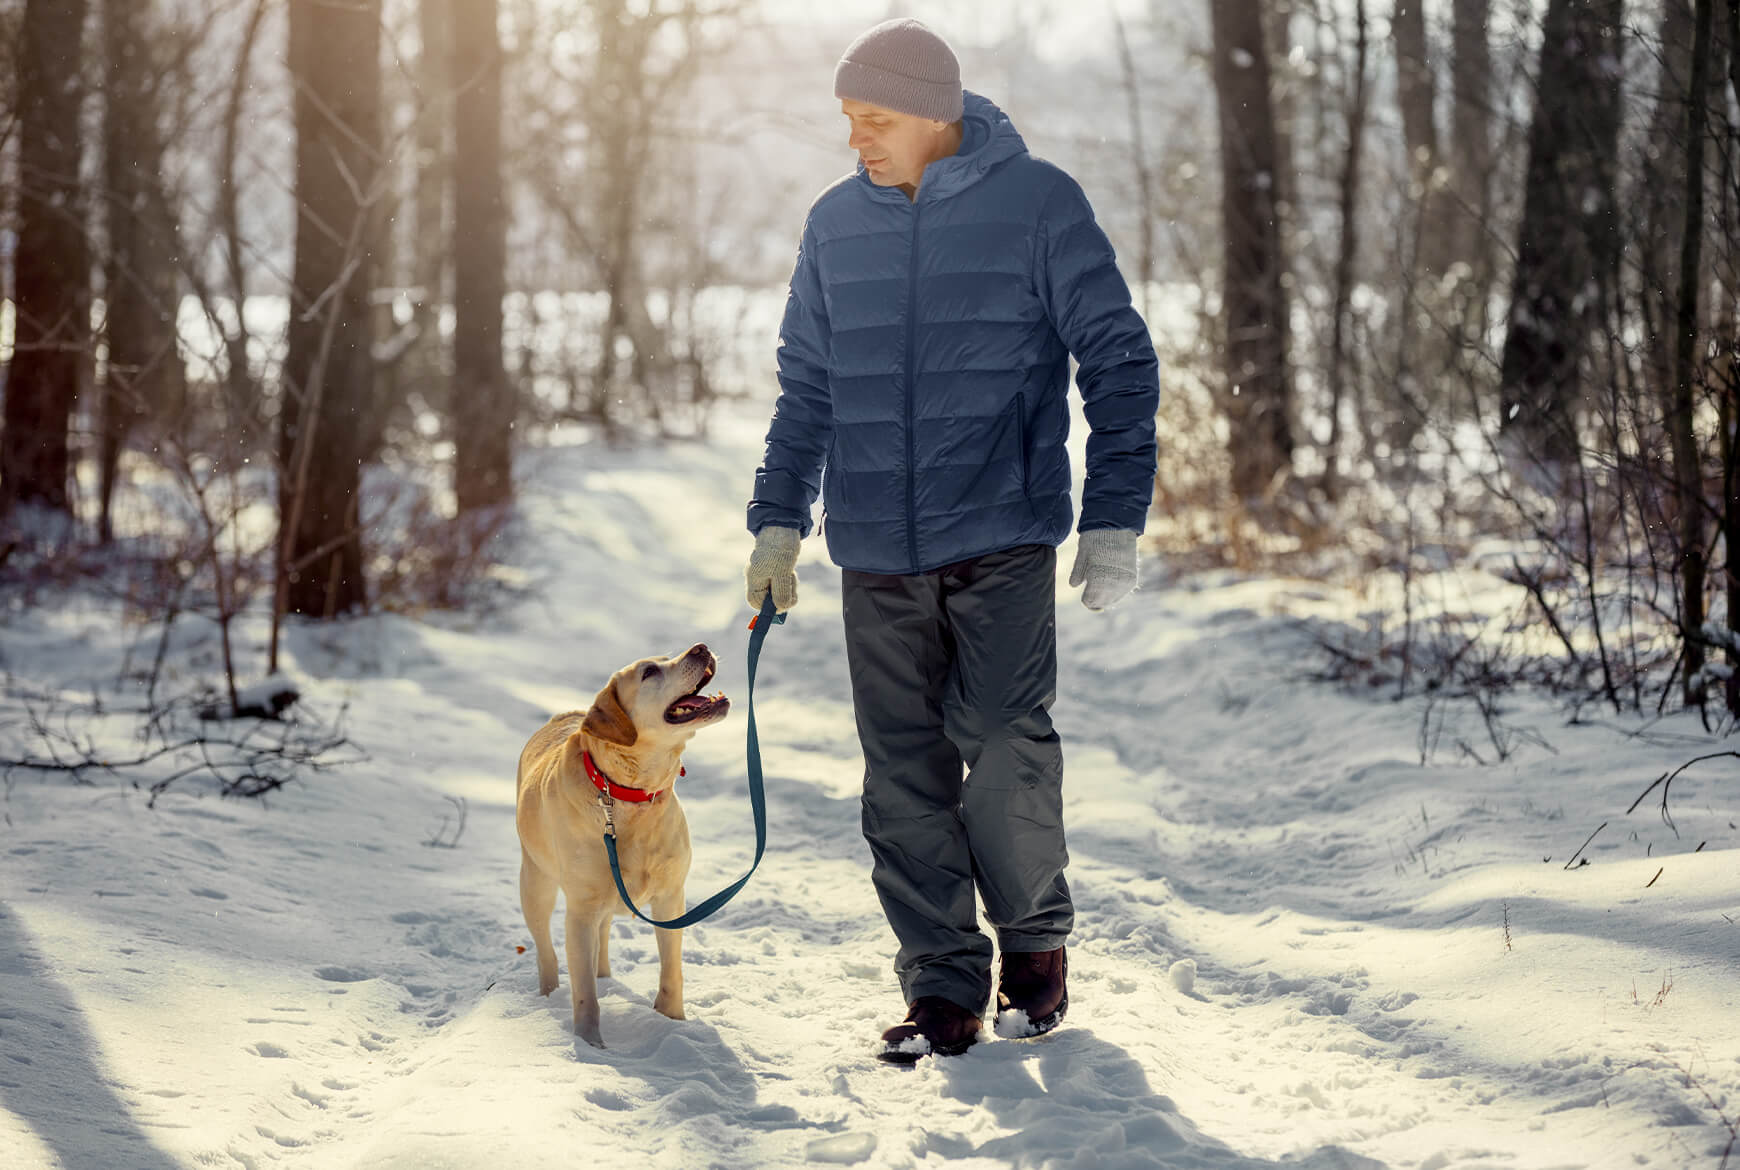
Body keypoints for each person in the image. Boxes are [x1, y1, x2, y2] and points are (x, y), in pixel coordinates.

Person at [744, 17, 1160, 1063]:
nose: (856, 142)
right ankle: (940, 986)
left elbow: (1118, 359)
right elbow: (808, 388)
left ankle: (1033, 943)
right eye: (846, 121)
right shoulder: (836, 224)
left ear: (935, 113)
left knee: (1005, 742)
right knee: (902, 774)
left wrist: (1114, 516)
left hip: (1002, 538)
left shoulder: (1040, 206)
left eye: (873, 120)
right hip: (877, 547)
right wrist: (779, 522)